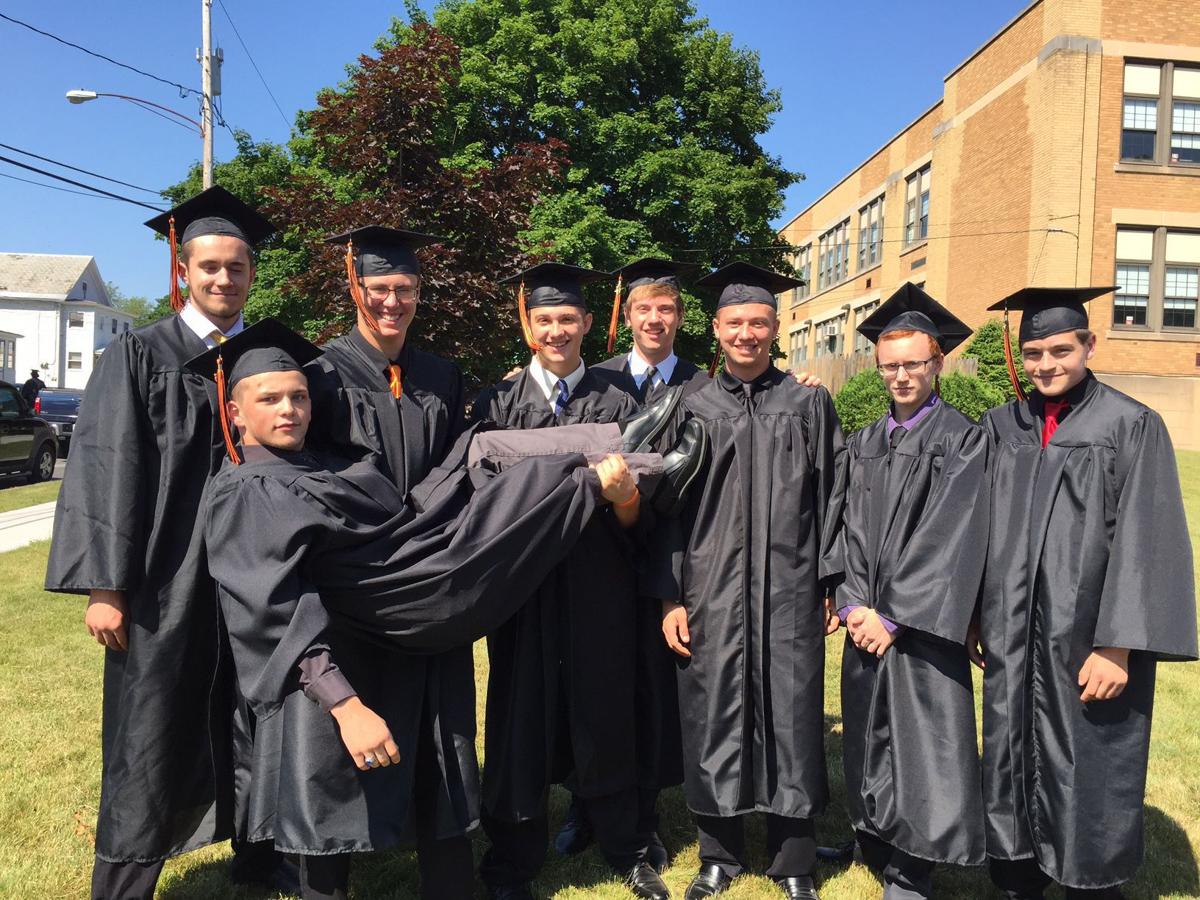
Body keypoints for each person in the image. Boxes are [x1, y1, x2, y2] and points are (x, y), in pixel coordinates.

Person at [192, 319, 694, 900]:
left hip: (407, 559)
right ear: (233, 412)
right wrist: (345, 704)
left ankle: (628, 448)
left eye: (299, 396)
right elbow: (270, 609)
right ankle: (623, 463)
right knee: (506, 514)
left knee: (480, 452)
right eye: (270, 399)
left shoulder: (317, 462)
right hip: (406, 594)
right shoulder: (245, 491)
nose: (290, 410)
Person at [44, 186, 294, 899]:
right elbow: (105, 464)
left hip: (249, 576)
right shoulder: (139, 354)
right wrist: (103, 585)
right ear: (183, 270)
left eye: (237, 268)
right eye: (209, 266)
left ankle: (261, 856)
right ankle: (124, 882)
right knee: (149, 728)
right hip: (165, 578)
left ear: (251, 274)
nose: (223, 279)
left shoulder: (260, 359)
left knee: (254, 717)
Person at [976, 286, 1198, 900]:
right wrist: (976, 618)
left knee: (1088, 754)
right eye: (1034, 353)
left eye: (1060, 350)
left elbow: (1148, 539)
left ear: (1088, 345)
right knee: (1011, 749)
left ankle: (1088, 881)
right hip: (1013, 634)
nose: (1046, 364)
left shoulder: (1129, 424)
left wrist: (1120, 645)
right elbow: (975, 530)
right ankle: (1017, 875)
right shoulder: (1002, 426)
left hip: (1087, 638)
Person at [473, 262, 675, 900]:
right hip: (524, 590)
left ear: (589, 323)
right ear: (527, 326)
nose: (556, 330)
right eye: (544, 320)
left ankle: (626, 846)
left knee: (605, 710)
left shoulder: (623, 406)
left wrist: (623, 498)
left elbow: (646, 518)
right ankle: (512, 857)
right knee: (519, 717)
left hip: (599, 587)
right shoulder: (498, 403)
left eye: (568, 319)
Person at [650, 262, 844, 900]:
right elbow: (666, 511)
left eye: (759, 322)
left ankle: (793, 860)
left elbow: (834, 499)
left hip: (790, 591)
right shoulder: (690, 405)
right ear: (716, 327)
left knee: (791, 717)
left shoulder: (809, 402)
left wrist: (831, 587)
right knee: (713, 717)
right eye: (735, 323)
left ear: (776, 327)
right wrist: (670, 595)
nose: (747, 334)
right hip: (712, 591)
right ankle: (719, 856)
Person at [820, 283, 988, 899]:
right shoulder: (865, 441)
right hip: (867, 618)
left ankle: (913, 866)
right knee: (866, 732)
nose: (901, 375)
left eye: (913, 363)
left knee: (922, 745)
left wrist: (891, 617)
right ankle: (873, 838)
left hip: (922, 628)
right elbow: (846, 528)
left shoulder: (964, 440)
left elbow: (954, 536)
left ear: (938, 361)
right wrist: (854, 602)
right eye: (890, 365)